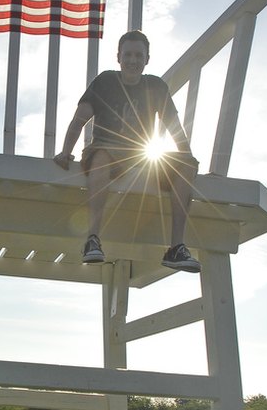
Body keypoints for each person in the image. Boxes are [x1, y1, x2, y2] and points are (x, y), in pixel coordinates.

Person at [54, 30, 201, 271]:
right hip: (106, 151)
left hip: (141, 158)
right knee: (101, 157)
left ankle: (176, 247)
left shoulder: (156, 86)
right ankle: (92, 239)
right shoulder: (105, 81)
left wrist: (186, 157)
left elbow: (173, 126)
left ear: (147, 59)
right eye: (128, 55)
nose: (133, 60)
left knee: (184, 165)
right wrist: (65, 151)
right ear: (119, 57)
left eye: (138, 55)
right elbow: (80, 118)